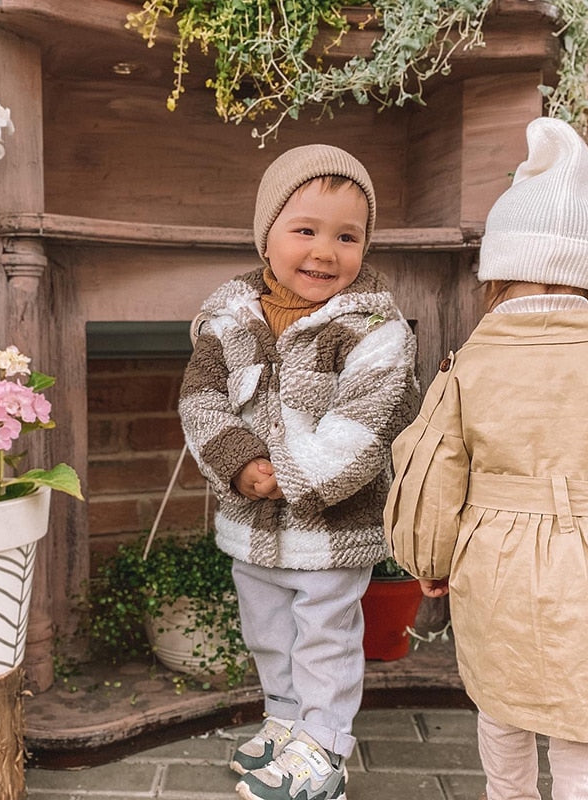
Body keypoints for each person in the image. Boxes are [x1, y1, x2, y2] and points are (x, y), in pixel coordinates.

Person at [383, 116, 588, 800]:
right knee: (586, 731)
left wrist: (431, 563)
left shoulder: (471, 364)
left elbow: (436, 470)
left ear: (496, 276)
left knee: (504, 712)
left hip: (494, 562)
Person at [179, 144, 420, 800]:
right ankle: (285, 720)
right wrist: (236, 462)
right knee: (267, 629)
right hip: (250, 523)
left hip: (331, 528)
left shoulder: (374, 331)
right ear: (266, 236)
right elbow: (200, 401)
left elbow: (367, 425)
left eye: (347, 236)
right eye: (305, 230)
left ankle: (325, 748)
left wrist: (287, 472)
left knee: (325, 636)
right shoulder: (230, 320)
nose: (325, 251)